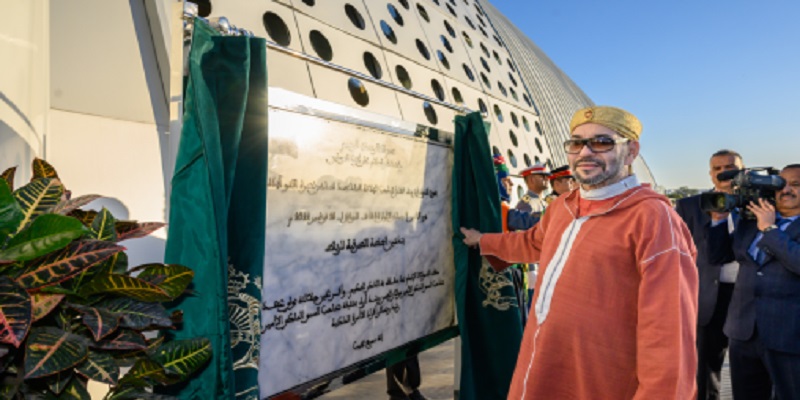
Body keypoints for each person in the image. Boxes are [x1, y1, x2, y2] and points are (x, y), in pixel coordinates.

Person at [460, 105, 698, 398]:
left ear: (632, 150)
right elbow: (534, 243)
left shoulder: (653, 218)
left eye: (602, 142)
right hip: (543, 362)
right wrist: (483, 241)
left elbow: (668, 334)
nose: (586, 152)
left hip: (601, 380)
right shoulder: (563, 206)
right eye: (576, 143)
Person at [706, 164, 800, 400]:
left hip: (789, 336)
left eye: (796, 184)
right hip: (743, 331)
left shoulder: (764, 222)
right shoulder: (751, 220)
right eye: (781, 184)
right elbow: (720, 256)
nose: (786, 190)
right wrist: (718, 220)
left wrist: (769, 228)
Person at [675, 149, 743, 400]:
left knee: (753, 368)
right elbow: (678, 254)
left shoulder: (759, 202)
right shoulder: (690, 206)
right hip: (707, 297)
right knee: (706, 369)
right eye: (717, 169)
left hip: (748, 297)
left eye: (731, 167)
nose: (724, 172)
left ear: (743, 171)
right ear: (710, 174)